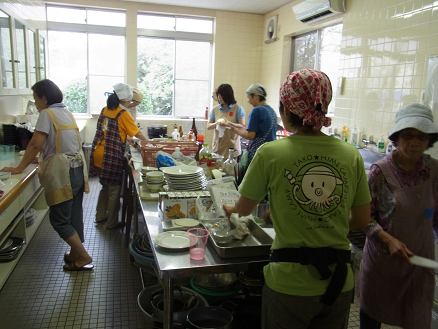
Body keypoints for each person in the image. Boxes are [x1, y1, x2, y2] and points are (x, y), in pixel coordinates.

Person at [223, 69, 371, 329]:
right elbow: (360, 219)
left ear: (286, 109)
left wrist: (230, 208)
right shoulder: (351, 155)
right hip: (338, 282)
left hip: (289, 284)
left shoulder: (271, 153)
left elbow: (244, 209)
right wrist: (323, 220)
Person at [359, 103, 438, 329]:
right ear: (397, 137)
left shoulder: (435, 172)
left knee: (416, 318)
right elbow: (364, 218)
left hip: (420, 263)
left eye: (421, 137)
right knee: (372, 316)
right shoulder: (380, 172)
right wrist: (389, 240)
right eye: (408, 136)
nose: (415, 142)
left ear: (429, 140)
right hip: (383, 262)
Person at [0, 79, 93, 271]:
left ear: (44, 98)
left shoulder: (46, 114)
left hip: (62, 174)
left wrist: (19, 168)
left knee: (58, 219)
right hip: (77, 171)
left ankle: (83, 256)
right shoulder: (67, 112)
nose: (35, 103)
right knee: (74, 214)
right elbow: (60, 144)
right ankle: (75, 253)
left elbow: (35, 144)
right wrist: (43, 157)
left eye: (35, 98)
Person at [90, 83, 148, 229]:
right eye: (131, 101)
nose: (131, 103)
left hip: (97, 154)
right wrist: (149, 143)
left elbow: (114, 130)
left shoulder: (105, 110)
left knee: (105, 187)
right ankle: (111, 223)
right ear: (126, 100)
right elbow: (137, 133)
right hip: (110, 156)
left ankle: (100, 216)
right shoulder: (123, 113)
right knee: (114, 190)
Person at [227, 83, 277, 164]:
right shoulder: (272, 110)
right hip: (271, 152)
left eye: (249, 98)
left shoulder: (256, 110)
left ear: (256, 96)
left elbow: (250, 136)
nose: (248, 101)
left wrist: (234, 129)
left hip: (259, 152)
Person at [207, 84, 245, 158]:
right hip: (218, 146)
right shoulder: (215, 109)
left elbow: (242, 126)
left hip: (231, 147)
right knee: (217, 169)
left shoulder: (238, 109)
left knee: (230, 168)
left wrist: (229, 123)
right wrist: (216, 123)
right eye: (218, 95)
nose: (218, 98)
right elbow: (208, 126)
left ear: (228, 95)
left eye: (221, 96)